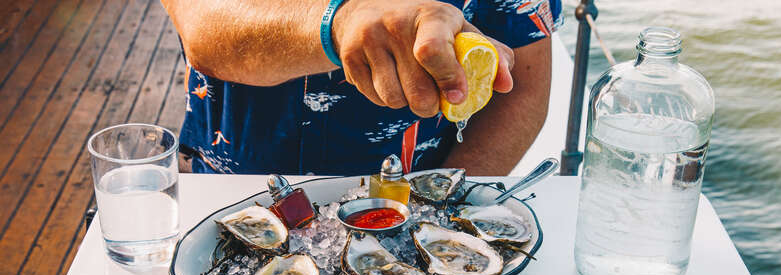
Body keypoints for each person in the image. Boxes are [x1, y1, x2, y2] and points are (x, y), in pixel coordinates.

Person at [161, 0, 562, 176]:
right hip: (226, 195)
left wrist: (440, 209)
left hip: (414, 197)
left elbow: (522, 87)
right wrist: (341, 24)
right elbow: (204, 28)